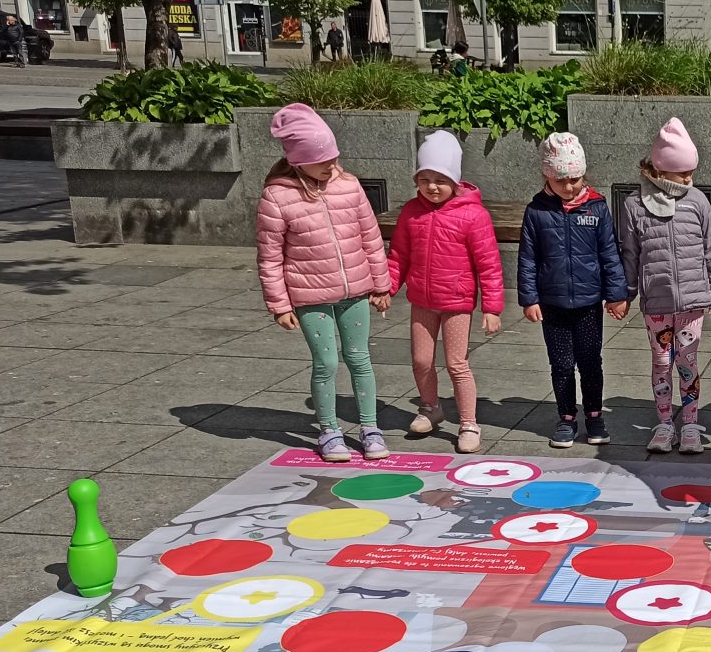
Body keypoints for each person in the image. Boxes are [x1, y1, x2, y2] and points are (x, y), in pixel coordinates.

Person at [255, 103, 392, 463]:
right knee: (326, 363)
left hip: (355, 290)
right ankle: (329, 431)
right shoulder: (277, 196)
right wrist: (280, 304)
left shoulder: (348, 185)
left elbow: (370, 237)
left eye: (333, 157)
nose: (331, 166)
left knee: (360, 359)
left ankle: (370, 427)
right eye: (322, 161)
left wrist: (381, 285)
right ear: (298, 161)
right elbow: (270, 257)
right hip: (309, 295)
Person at [384, 131, 504, 456]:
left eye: (440, 180)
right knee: (421, 360)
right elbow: (398, 256)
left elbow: (489, 264)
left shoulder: (473, 215)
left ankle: (469, 423)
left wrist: (492, 308)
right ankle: (430, 408)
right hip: (422, 301)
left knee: (456, 363)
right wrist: (387, 288)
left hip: (457, 303)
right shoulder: (411, 212)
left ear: (455, 180)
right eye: (424, 179)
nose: (432, 187)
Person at [618, 117, 711, 455]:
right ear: (661, 169)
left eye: (691, 172)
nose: (689, 179)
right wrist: (625, 293)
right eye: (682, 173)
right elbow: (630, 253)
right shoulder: (635, 205)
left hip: (693, 301)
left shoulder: (697, 201)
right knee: (662, 362)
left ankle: (690, 424)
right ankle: (665, 423)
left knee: (687, 362)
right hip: (657, 301)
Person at [518, 131, 629, 449]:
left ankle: (594, 415)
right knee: (562, 364)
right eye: (561, 181)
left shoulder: (597, 208)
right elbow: (528, 258)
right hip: (552, 303)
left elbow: (610, 253)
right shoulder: (537, 211)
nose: (569, 187)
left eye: (575, 179)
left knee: (591, 362)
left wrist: (616, 294)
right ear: (547, 176)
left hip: (588, 302)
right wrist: (529, 298)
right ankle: (566, 417)